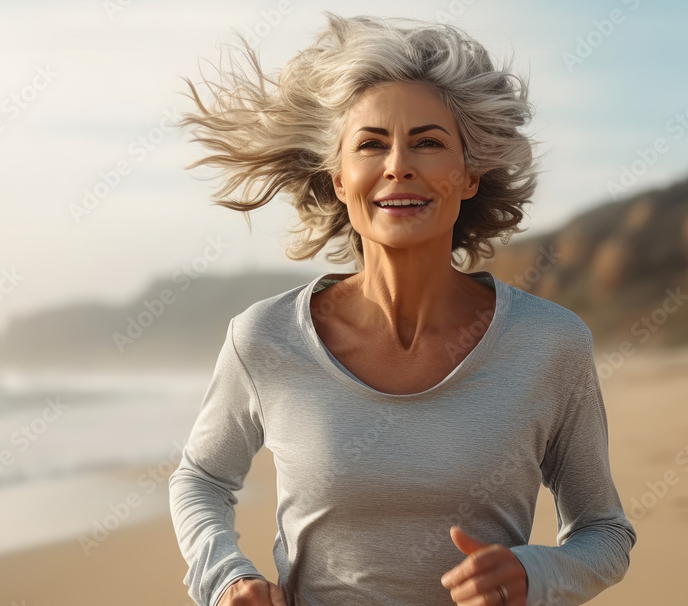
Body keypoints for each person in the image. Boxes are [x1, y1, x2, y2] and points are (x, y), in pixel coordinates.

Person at [168, 12, 636, 606]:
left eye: (429, 142)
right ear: (340, 179)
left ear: (467, 175)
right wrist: (227, 578)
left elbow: (604, 530)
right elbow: (201, 479)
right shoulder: (264, 338)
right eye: (371, 144)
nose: (397, 164)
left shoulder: (550, 342)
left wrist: (533, 576)